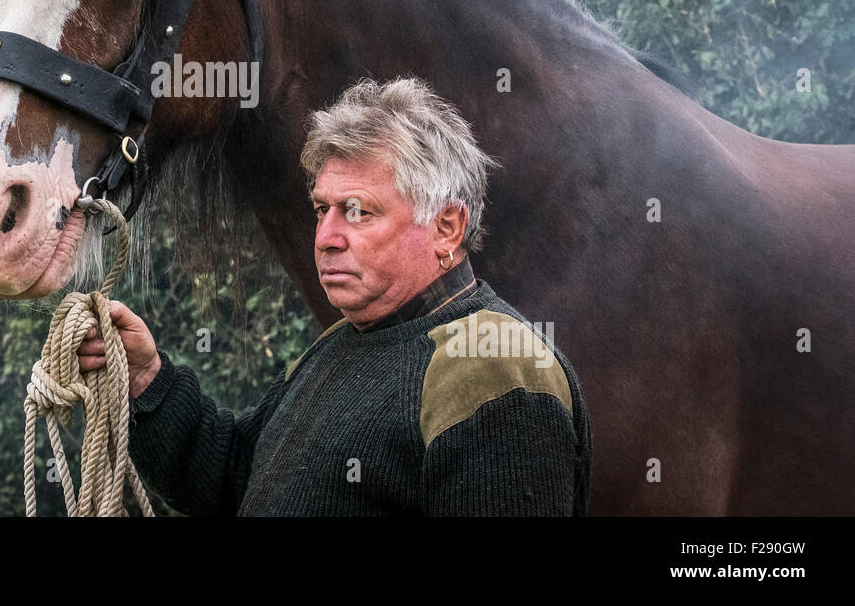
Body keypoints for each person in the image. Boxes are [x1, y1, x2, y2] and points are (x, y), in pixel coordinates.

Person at [79, 77, 591, 515]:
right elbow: (239, 482)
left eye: (358, 211)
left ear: (447, 227)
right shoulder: (344, 342)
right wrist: (149, 380)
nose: (325, 236)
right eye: (322, 208)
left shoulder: (496, 368)